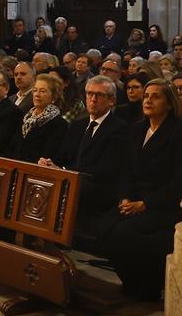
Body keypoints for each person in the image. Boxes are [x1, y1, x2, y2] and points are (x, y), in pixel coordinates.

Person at [97, 79, 181, 300]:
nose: (148, 100)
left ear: (169, 103)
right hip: (134, 199)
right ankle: (134, 283)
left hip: (163, 205)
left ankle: (146, 287)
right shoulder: (137, 129)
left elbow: (177, 181)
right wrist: (125, 197)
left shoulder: (177, 132)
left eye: (156, 96)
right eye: (146, 96)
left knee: (123, 234)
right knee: (103, 228)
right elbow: (127, 171)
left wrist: (145, 204)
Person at [42, 76, 129, 219]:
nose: (93, 99)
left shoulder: (120, 129)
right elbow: (63, 155)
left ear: (112, 100)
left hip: (97, 188)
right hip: (73, 182)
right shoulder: (78, 125)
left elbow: (106, 169)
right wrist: (49, 163)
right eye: (89, 94)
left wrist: (64, 171)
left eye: (99, 95)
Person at [12, 74, 68, 163]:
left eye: (42, 91)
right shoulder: (25, 117)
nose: (37, 94)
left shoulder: (59, 124)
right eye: (35, 90)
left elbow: (50, 155)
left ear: (54, 97)